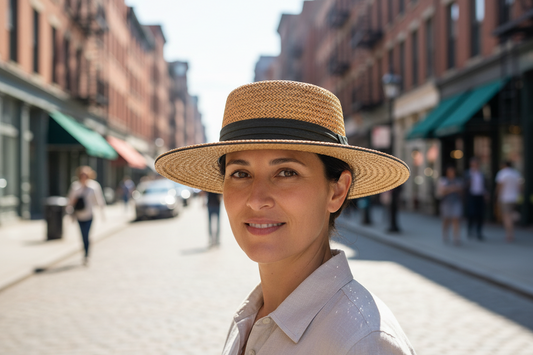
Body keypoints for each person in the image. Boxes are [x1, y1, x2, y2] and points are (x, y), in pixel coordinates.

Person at [155, 81, 414, 354]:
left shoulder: (362, 342)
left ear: (337, 190)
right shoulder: (251, 316)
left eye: (286, 172)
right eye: (240, 174)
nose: (257, 199)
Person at [67, 166, 106, 266]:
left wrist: (102, 213)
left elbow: (99, 199)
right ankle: (85, 253)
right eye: (82, 175)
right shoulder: (76, 187)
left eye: (85, 175)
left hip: (89, 214)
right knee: (82, 235)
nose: (84, 176)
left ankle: (86, 255)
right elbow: (71, 200)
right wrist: (69, 212)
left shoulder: (94, 186)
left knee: (86, 235)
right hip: (79, 215)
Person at [495, 161, 523, 242]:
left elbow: (499, 186)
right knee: (511, 215)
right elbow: (520, 187)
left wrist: (496, 196)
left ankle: (509, 234)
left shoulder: (502, 173)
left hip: (505, 198)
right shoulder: (516, 173)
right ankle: (511, 233)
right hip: (514, 198)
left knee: (506, 216)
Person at [437, 165, 463, 245]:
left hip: (456, 202)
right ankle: (445, 234)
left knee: (456, 218)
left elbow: (461, 190)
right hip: (446, 203)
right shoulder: (443, 180)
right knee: (446, 219)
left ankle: (456, 237)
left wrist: (450, 189)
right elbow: (442, 191)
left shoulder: (458, 180)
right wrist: (452, 189)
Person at [464, 157, 488, 240]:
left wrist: (486, 193)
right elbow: (464, 185)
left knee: (480, 214)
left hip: (480, 195)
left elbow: (485, 185)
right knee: (471, 213)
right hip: (471, 195)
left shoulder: (481, 173)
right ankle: (470, 229)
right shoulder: (468, 173)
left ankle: (479, 232)